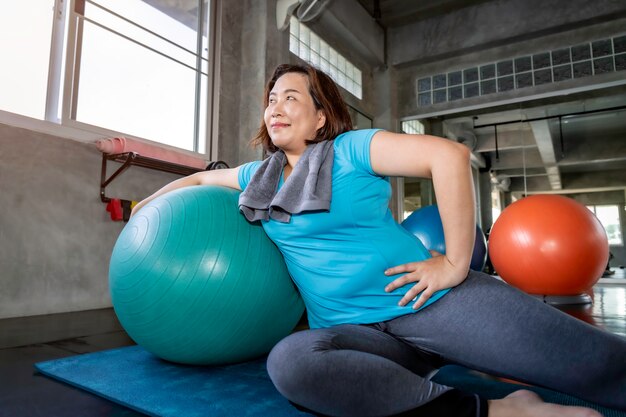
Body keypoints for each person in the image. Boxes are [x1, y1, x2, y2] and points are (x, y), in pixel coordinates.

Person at [131, 63, 626, 417]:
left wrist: (455, 263)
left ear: (320, 117)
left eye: (291, 97)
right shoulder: (256, 179)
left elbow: (448, 157)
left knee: (602, 367)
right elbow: (196, 182)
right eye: (271, 98)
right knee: (292, 364)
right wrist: (146, 208)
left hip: (433, 301)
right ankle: (499, 411)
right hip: (361, 336)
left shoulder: (349, 149)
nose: (275, 107)